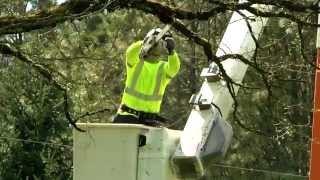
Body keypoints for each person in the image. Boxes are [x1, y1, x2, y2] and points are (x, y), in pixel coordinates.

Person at [113, 28, 180, 126]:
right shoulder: (136, 63)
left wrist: (172, 51)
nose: (157, 45)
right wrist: (144, 42)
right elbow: (130, 53)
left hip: (150, 121)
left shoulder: (163, 68)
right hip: (127, 117)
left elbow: (175, 67)